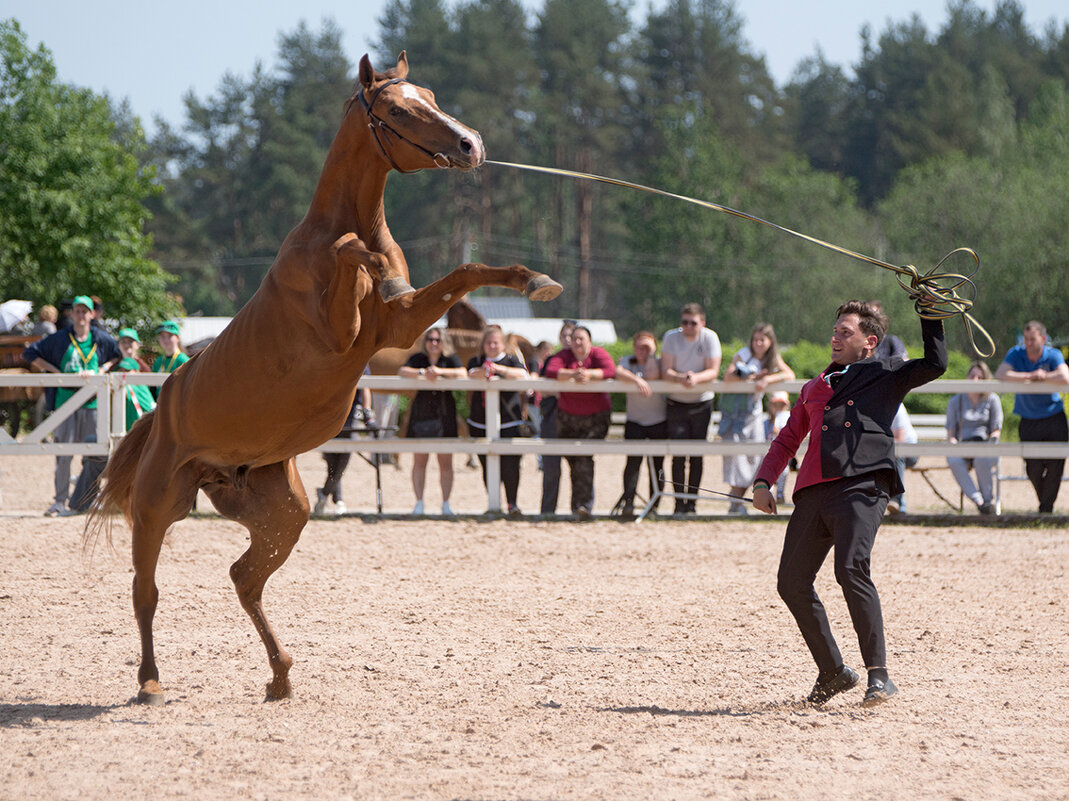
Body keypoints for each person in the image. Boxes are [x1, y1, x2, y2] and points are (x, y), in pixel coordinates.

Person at [752, 299, 947, 708]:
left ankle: (880, 676)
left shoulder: (885, 373)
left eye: (846, 332)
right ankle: (833, 672)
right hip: (814, 491)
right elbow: (788, 439)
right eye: (835, 330)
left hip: (863, 485)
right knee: (790, 582)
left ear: (869, 342)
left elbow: (935, 363)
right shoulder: (813, 386)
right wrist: (764, 480)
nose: (835, 337)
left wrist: (930, 313)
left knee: (850, 568)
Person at [22, 295, 120, 516]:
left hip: (93, 404)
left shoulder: (101, 338)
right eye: (78, 310)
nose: (81, 315)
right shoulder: (59, 338)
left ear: (92, 314)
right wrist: (56, 372)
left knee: (94, 454)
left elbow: (117, 355)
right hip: (64, 402)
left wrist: (103, 369)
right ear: (72, 313)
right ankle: (59, 501)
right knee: (62, 454)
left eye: (85, 311)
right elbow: (29, 353)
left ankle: (90, 499)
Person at [542, 326, 616, 519]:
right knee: (574, 460)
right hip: (568, 417)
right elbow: (550, 370)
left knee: (583, 457)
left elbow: (610, 370)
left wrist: (589, 375)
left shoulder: (598, 354)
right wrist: (573, 375)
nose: (577, 342)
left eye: (581, 339)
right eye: (574, 339)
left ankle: (583, 505)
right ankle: (579, 506)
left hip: (595, 418)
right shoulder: (564, 355)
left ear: (589, 341)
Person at [995, 321, 1069, 513]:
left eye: (1032, 339)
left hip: (1054, 417)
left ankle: (1045, 509)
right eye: (1026, 339)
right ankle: (1046, 506)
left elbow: (1064, 377)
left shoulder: (1053, 354)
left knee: (1055, 466)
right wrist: (1030, 375)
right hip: (1028, 419)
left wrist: (1043, 376)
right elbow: (1001, 373)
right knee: (1033, 468)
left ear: (1043, 339)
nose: (1028, 343)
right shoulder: (1016, 352)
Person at [721, 323, 795, 515]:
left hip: (753, 414)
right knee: (737, 459)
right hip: (736, 414)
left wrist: (767, 379)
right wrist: (750, 377)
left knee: (756, 458)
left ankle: (736, 501)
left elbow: (789, 374)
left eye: (762, 340)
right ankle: (735, 502)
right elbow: (728, 376)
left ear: (770, 342)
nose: (758, 343)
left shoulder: (772, 358)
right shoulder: (743, 354)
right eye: (755, 339)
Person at [661, 303, 722, 514]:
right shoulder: (671, 337)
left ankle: (692, 504)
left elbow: (713, 370)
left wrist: (694, 378)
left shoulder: (710, 338)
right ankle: (679, 504)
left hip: (701, 402)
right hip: (676, 402)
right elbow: (665, 368)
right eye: (684, 322)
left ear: (702, 323)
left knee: (697, 455)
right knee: (678, 455)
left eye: (693, 323)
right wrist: (681, 378)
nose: (688, 326)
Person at [399, 328, 466, 515]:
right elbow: (402, 371)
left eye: (437, 339)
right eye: (430, 339)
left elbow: (462, 372)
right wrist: (423, 372)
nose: (433, 343)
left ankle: (446, 503)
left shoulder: (450, 359)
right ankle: (419, 502)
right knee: (420, 461)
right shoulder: (418, 358)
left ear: (443, 341)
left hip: (445, 415)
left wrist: (440, 372)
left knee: (446, 462)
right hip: (422, 414)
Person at [467, 325, 529, 517]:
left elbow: (523, 375)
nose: (492, 346)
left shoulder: (512, 360)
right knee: (487, 464)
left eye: (496, 342)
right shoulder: (476, 360)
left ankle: (512, 503)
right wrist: (484, 371)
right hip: (480, 421)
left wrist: (499, 370)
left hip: (509, 420)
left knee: (511, 464)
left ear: (503, 344)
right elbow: (470, 373)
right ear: (483, 344)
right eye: (488, 342)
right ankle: (494, 502)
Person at [615, 331, 667, 518]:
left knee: (657, 464)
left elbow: (653, 376)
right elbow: (618, 372)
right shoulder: (628, 362)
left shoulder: (659, 362)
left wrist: (652, 354)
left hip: (658, 420)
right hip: (635, 421)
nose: (642, 351)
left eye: (647, 347)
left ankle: (654, 505)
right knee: (633, 463)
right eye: (639, 347)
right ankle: (628, 501)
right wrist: (637, 379)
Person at [946, 361, 1002, 515]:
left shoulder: (992, 399)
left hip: (984, 445)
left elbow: (996, 430)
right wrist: (955, 445)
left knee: (981, 459)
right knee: (953, 460)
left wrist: (989, 444)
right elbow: (951, 434)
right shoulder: (955, 401)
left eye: (980, 377)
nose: (975, 380)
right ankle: (979, 501)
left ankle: (988, 501)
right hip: (963, 445)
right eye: (972, 376)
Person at [313, 375, 374, 516]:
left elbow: (365, 386)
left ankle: (324, 493)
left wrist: (367, 412)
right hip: (328, 417)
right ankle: (338, 500)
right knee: (332, 463)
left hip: (351, 417)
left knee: (341, 463)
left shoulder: (362, 358)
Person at [539, 320, 577, 515]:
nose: (568, 340)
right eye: (564, 336)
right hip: (553, 416)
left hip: (576, 417)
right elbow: (543, 390)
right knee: (551, 469)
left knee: (579, 468)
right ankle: (547, 511)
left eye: (571, 336)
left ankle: (579, 509)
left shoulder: (583, 360)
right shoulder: (551, 360)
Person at [886, 404, 918, 515]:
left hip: (909, 451)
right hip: (887, 451)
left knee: (897, 455)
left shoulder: (896, 406)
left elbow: (900, 440)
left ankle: (897, 500)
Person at [766, 391, 791, 503]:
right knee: (768, 470)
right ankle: (768, 493)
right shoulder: (766, 420)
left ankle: (780, 493)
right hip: (769, 451)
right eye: (775, 405)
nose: (778, 407)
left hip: (783, 450)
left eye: (781, 405)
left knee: (784, 470)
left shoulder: (787, 417)